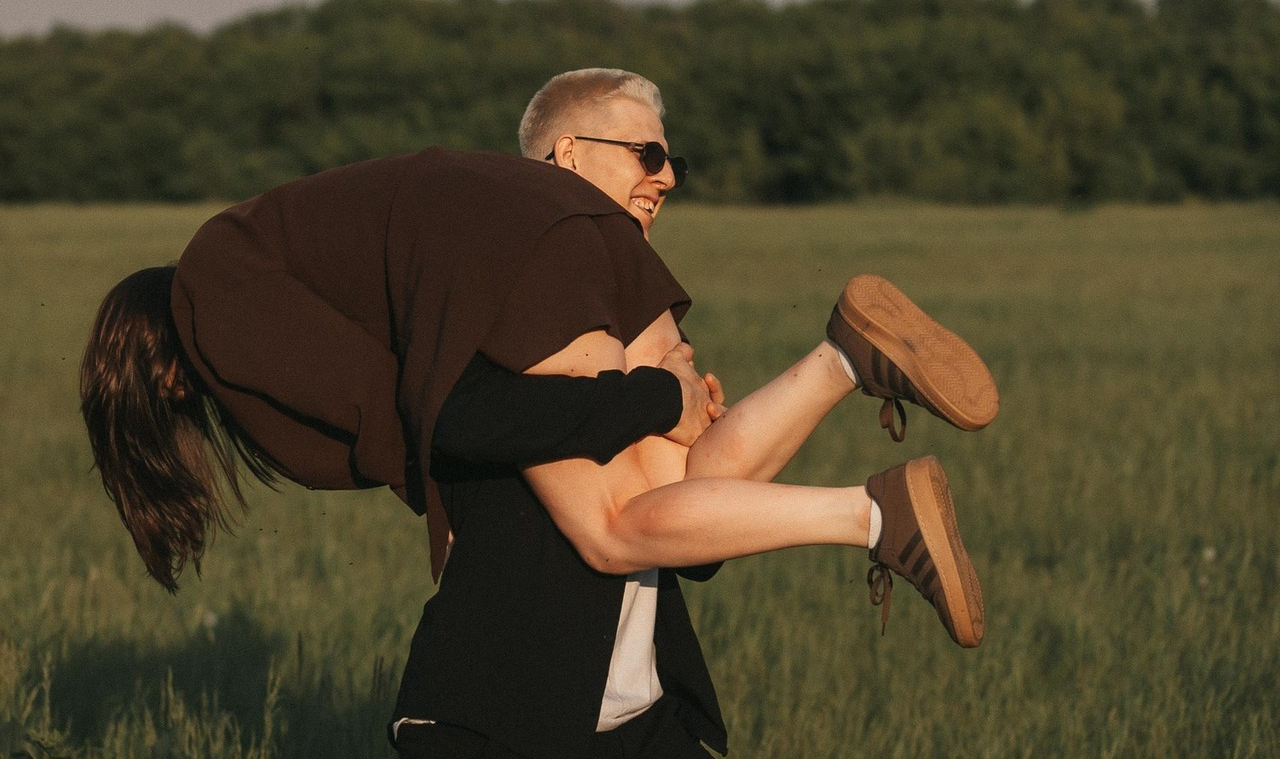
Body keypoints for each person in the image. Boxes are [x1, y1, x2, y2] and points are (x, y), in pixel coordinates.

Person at [79, 70, 997, 759]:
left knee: (610, 527)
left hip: (508, 701)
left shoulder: (223, 288)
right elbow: (684, 525)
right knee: (665, 494)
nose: (669, 175)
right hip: (598, 692)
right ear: (569, 155)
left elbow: (447, 421)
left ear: (154, 377)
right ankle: (846, 356)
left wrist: (649, 397)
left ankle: (873, 516)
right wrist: (659, 398)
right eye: (648, 154)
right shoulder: (259, 284)